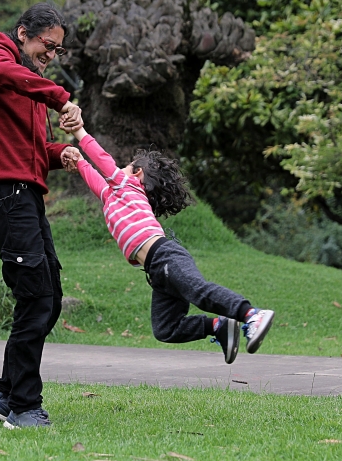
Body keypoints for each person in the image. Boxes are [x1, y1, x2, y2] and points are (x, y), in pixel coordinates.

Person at [60, 121, 275, 362]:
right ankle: (218, 326)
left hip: (165, 256)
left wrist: (78, 131)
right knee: (166, 328)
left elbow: (100, 157)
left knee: (198, 291)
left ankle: (252, 315)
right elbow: (93, 176)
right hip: (156, 270)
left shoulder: (125, 183)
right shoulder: (113, 195)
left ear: (137, 173)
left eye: (126, 167)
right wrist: (77, 160)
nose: (117, 170)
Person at [0, 3, 82, 429]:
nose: (51, 54)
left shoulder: (33, 88)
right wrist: (59, 97)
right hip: (3, 196)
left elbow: (28, 152)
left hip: (25, 196)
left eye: (58, 50)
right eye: (47, 45)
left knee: (48, 296)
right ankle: (25, 407)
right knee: (35, 297)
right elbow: (4, 75)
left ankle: (6, 395)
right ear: (21, 33)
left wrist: (60, 152)